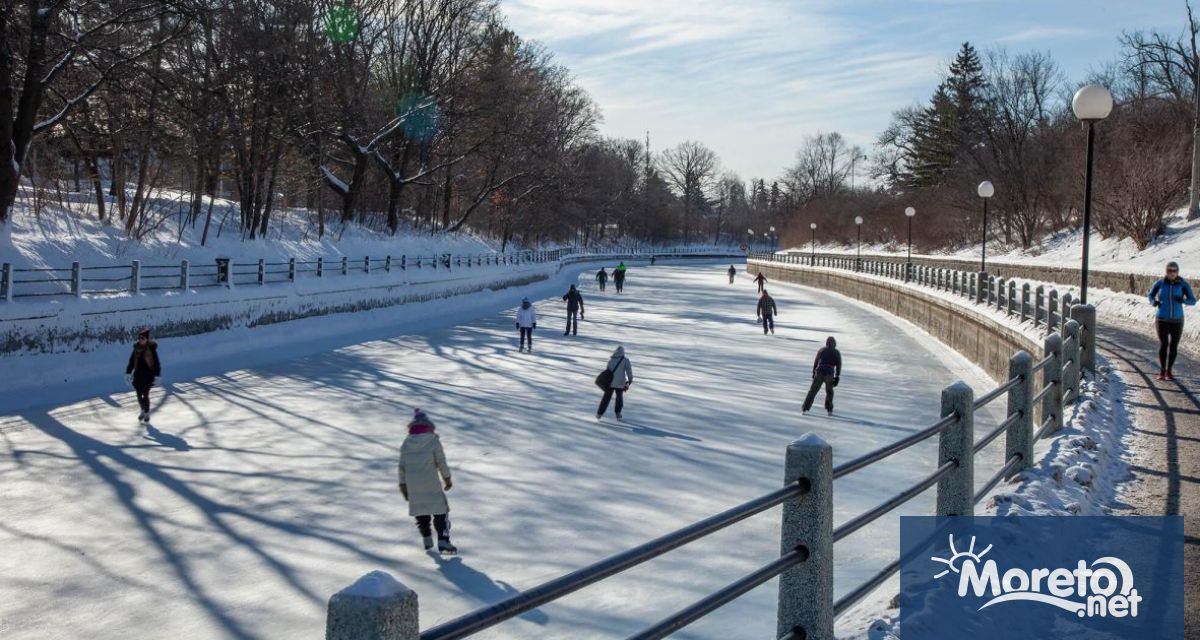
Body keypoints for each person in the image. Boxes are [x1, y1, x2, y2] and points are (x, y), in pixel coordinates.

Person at [398, 409, 456, 554]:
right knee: (441, 511)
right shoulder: (433, 440)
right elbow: (441, 461)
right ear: (429, 425)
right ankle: (443, 541)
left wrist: (403, 485)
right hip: (431, 481)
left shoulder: (406, 442)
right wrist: (447, 478)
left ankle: (427, 538)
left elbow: (402, 466)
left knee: (421, 509)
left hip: (413, 484)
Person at [1148, 261, 1196, 380]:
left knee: (1174, 346)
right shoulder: (1160, 283)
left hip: (1177, 320)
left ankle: (1169, 371)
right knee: (1164, 344)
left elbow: (1193, 300)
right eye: (1169, 270)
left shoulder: (1183, 284)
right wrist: (1154, 302)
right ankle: (1162, 371)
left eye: (1174, 271)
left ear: (1177, 272)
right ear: (1166, 272)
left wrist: (1183, 300)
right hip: (1162, 319)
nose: (1172, 273)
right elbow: (1150, 295)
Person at [124, 327, 161, 423]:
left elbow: (156, 363)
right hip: (138, 376)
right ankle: (143, 410)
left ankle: (146, 412)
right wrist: (128, 373)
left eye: (142, 338)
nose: (140, 340)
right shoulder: (136, 349)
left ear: (146, 339)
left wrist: (157, 376)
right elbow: (131, 362)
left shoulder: (151, 349)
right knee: (138, 395)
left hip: (148, 376)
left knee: (145, 394)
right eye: (139, 338)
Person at [803, 337, 842, 416]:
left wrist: (814, 372)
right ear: (834, 343)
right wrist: (837, 376)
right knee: (829, 392)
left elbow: (816, 361)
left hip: (819, 372)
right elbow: (839, 364)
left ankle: (805, 408)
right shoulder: (836, 352)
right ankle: (829, 409)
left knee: (813, 391)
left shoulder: (821, 350)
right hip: (829, 373)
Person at [596, 346, 633, 420]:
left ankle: (599, 413)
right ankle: (618, 413)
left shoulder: (611, 359)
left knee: (606, 398)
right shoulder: (625, 360)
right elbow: (628, 371)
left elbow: (608, 370)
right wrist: (630, 379)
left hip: (610, 382)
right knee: (619, 398)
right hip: (620, 383)